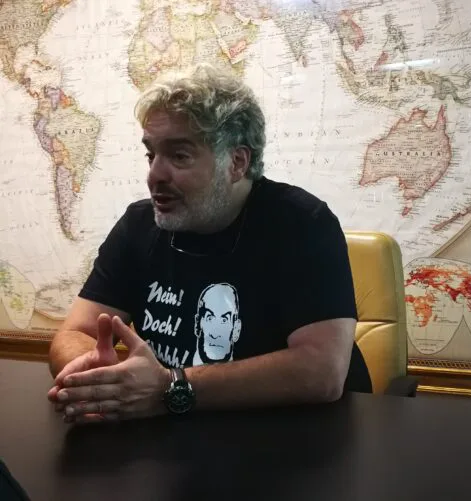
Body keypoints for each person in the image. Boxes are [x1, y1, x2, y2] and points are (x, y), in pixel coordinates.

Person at [47, 63, 372, 424]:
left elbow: (321, 371)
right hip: (176, 437)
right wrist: (98, 377)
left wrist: (170, 387)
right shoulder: (138, 226)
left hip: (301, 439)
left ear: (236, 162)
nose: (154, 174)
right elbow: (75, 332)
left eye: (179, 156)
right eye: (151, 154)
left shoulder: (302, 222)